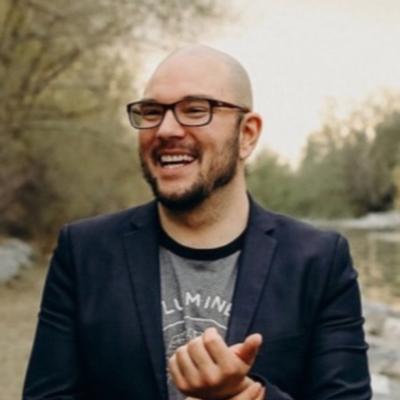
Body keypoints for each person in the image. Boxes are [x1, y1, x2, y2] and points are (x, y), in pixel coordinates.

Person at [23, 45, 372, 400]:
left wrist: (253, 398)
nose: (165, 129)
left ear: (247, 134)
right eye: (152, 112)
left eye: (195, 110)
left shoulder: (319, 261)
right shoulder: (84, 252)